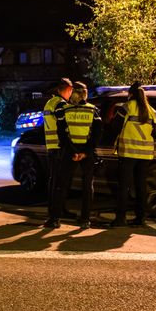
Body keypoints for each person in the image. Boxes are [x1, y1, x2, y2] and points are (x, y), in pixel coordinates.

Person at [110, 82, 156, 227]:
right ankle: (141, 217)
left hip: (128, 152)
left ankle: (121, 218)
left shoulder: (126, 107)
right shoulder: (152, 111)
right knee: (140, 186)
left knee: (124, 186)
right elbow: (154, 132)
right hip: (145, 154)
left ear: (130, 94)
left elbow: (115, 127)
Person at [58, 81, 103, 228]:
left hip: (70, 152)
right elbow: (96, 135)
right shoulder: (93, 110)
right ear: (85, 94)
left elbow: (62, 134)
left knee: (64, 184)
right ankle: (85, 219)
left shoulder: (64, 110)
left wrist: (73, 152)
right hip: (86, 153)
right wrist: (85, 152)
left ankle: (57, 217)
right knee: (87, 185)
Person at [42, 78, 73, 228]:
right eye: (71, 91)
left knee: (54, 182)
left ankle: (57, 212)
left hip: (51, 146)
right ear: (67, 89)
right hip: (60, 148)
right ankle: (55, 218)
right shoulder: (61, 105)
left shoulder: (50, 103)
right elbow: (63, 127)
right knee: (59, 183)